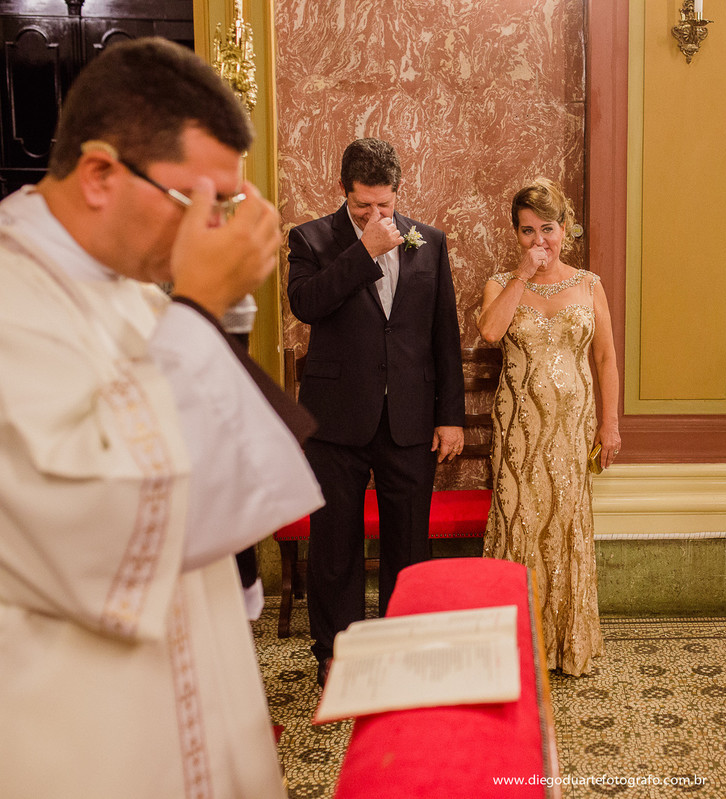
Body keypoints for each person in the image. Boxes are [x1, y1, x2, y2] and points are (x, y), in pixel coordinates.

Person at [0, 37, 323, 798]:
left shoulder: (136, 289)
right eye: (194, 202)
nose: (211, 230)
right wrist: (200, 306)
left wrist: (205, 311)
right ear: (101, 174)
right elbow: (96, 514)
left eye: (226, 207)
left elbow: (203, 485)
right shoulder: (15, 298)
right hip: (89, 731)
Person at [287, 138, 465, 685]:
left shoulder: (429, 241)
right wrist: (363, 250)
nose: (375, 214)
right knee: (334, 544)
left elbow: (443, 334)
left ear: (397, 192)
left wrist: (450, 415)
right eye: (363, 205)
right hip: (336, 419)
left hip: (409, 417)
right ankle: (337, 653)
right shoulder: (311, 239)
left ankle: (402, 648)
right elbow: (306, 304)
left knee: (408, 542)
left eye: (384, 204)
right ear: (343, 191)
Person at [477, 178, 620, 676]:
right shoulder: (500, 283)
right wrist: (522, 274)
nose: (539, 240)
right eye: (527, 230)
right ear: (516, 234)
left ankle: (565, 643)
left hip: (572, 429)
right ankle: (513, 648)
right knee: (519, 522)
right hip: (518, 431)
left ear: (565, 229)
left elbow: (606, 358)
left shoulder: (589, 284)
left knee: (565, 523)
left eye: (548, 229)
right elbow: (490, 331)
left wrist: (610, 424)